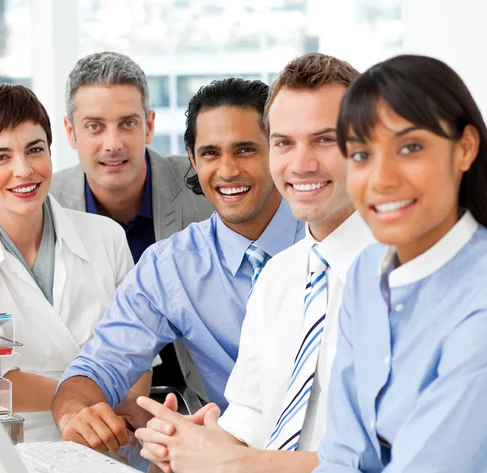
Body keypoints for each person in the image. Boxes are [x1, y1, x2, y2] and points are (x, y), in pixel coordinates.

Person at [134, 53, 375, 473]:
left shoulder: (406, 277)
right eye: (284, 142)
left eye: (324, 139)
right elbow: (247, 417)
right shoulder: (278, 277)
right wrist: (194, 442)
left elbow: (390, 457)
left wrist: (241, 463)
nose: (300, 164)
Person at [51, 77, 305, 453]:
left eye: (245, 149)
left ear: (277, 149)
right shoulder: (170, 267)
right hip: (228, 459)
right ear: (192, 158)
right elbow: (97, 367)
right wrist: (75, 413)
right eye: (210, 153)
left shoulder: (323, 241)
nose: (227, 170)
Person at [311, 54, 487, 472]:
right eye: (360, 154)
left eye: (410, 148)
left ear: (464, 148)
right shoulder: (366, 272)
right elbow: (341, 454)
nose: (381, 178)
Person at [0, 84, 149, 442]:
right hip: (19, 445)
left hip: (112, 436)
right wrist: (83, 400)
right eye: (1, 157)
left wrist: (109, 408)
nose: (24, 170)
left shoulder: (106, 236)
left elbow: (138, 352)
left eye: (35, 150)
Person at [51, 52, 214, 390]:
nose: (113, 144)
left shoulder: (204, 191)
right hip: (95, 407)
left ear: (149, 126)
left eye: (128, 123)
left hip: (197, 405)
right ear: (70, 132)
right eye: (94, 126)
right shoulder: (46, 204)